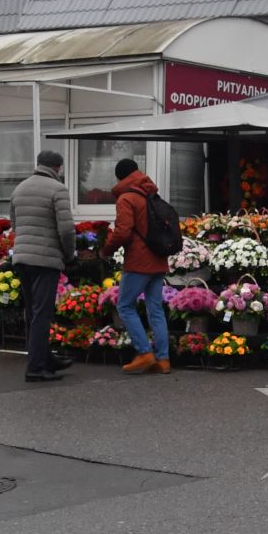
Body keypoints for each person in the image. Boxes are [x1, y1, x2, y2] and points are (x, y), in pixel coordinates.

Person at [9, 149, 77, 382]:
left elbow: (15, 225)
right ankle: (36, 367)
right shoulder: (58, 189)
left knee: (32, 313)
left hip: (22, 258)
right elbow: (66, 230)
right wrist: (69, 255)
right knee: (42, 313)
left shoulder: (20, 188)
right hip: (45, 260)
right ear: (58, 168)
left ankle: (46, 358)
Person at [102, 158, 169, 375]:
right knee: (155, 309)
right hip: (159, 258)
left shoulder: (127, 198)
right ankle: (163, 359)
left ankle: (144, 353)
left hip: (139, 261)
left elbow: (123, 232)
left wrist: (106, 250)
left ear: (120, 177)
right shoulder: (151, 193)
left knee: (125, 306)